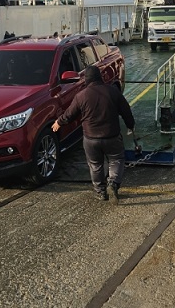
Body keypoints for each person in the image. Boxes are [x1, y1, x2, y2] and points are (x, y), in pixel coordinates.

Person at [51, 65, 135, 204]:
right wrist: (130, 126)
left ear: (86, 79)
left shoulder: (81, 96)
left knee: (95, 165)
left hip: (91, 139)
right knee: (117, 159)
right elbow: (126, 110)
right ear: (100, 77)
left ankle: (100, 192)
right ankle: (113, 184)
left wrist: (59, 122)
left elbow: (69, 114)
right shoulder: (113, 92)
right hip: (112, 136)